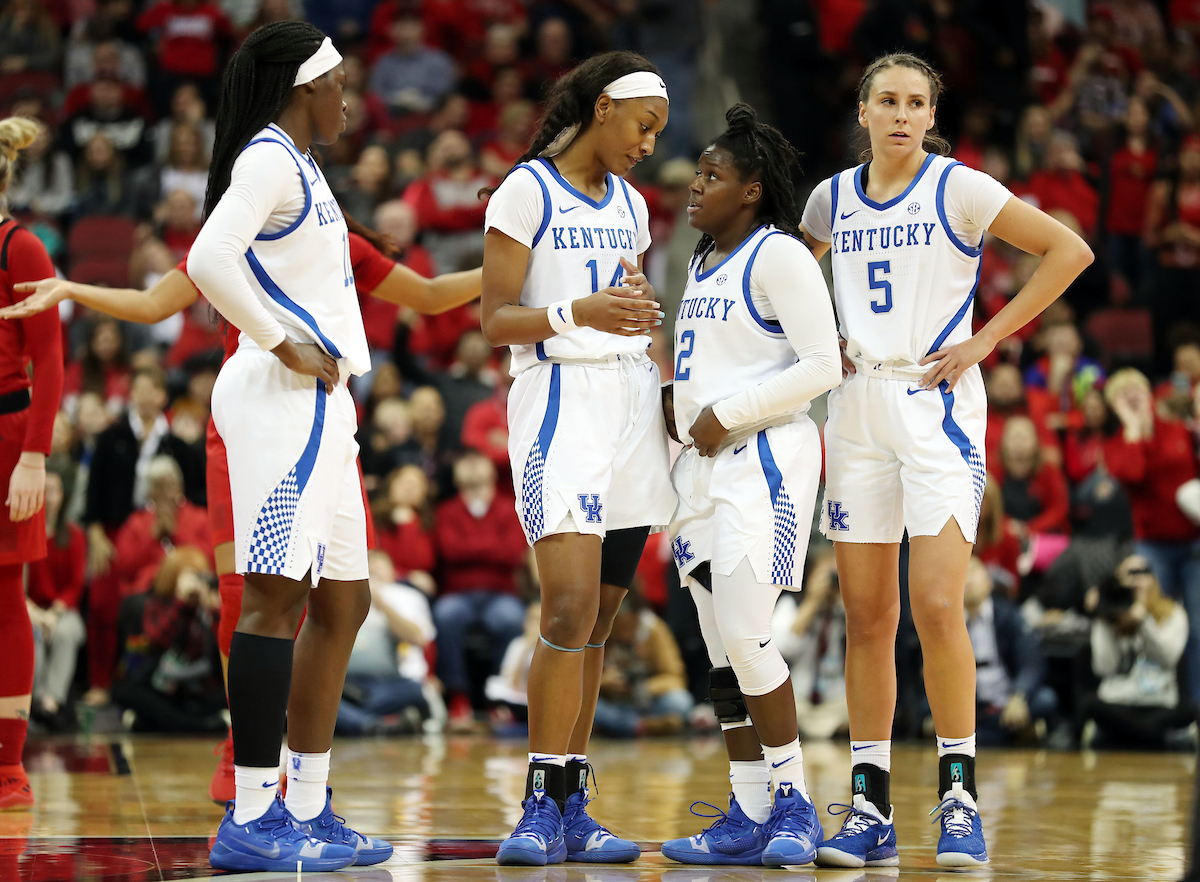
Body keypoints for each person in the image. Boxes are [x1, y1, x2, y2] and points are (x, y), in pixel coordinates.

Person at [3, 174, 484, 811]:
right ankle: (244, 749)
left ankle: (297, 766)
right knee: (242, 597)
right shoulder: (230, 237)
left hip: (319, 418)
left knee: (330, 599)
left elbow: (427, 294)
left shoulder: (335, 240)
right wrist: (72, 289)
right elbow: (151, 305)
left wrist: (509, 268)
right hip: (243, 429)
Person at [799, 52, 1092, 869]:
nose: (901, 114)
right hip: (857, 407)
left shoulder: (958, 187)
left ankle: (959, 798)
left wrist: (986, 338)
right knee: (866, 616)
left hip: (937, 405)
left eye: (915, 102)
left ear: (932, 116)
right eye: (887, 101)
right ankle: (869, 808)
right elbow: (783, 280)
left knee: (935, 604)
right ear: (863, 112)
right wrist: (816, 345)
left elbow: (1068, 250)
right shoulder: (829, 199)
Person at [188, 22, 378, 872]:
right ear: (306, 87)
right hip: (281, 397)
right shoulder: (268, 158)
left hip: (323, 404)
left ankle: (306, 803)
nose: (348, 100)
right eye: (340, 85)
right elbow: (208, 259)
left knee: (345, 603)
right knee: (273, 600)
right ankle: (253, 813)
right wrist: (278, 341)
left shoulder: (302, 164)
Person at [480, 51, 674, 866]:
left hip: (630, 399)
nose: (648, 145)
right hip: (560, 397)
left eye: (659, 133)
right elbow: (495, 318)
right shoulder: (526, 190)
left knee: (599, 621)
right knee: (564, 611)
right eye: (643, 126)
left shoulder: (632, 204)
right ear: (602, 109)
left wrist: (640, 322)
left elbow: (630, 310)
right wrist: (579, 312)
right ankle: (535, 803)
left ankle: (571, 803)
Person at [658, 103, 840, 868]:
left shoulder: (779, 256)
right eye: (697, 173)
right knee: (719, 651)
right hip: (700, 468)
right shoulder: (701, 259)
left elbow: (822, 365)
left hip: (764, 459)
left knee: (747, 633)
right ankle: (748, 807)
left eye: (713, 175)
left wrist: (726, 414)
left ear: (753, 189)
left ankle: (794, 803)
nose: (696, 186)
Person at [0, 116, 64, 811]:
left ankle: (8, 766)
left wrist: (35, 457)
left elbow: (49, 359)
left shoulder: (20, 247)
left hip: (8, 434)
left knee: (5, 595)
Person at [1083, 554, 1192, 749]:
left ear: (1154, 578)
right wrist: (1107, 620)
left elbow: (1167, 659)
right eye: (1129, 574)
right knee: (1090, 704)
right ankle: (1155, 737)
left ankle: (1126, 735)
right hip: (1118, 702)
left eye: (1142, 572)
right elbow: (1104, 668)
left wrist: (1143, 621)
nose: (1136, 579)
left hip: (1159, 704)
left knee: (1191, 710)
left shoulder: (1173, 613)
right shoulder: (1107, 615)